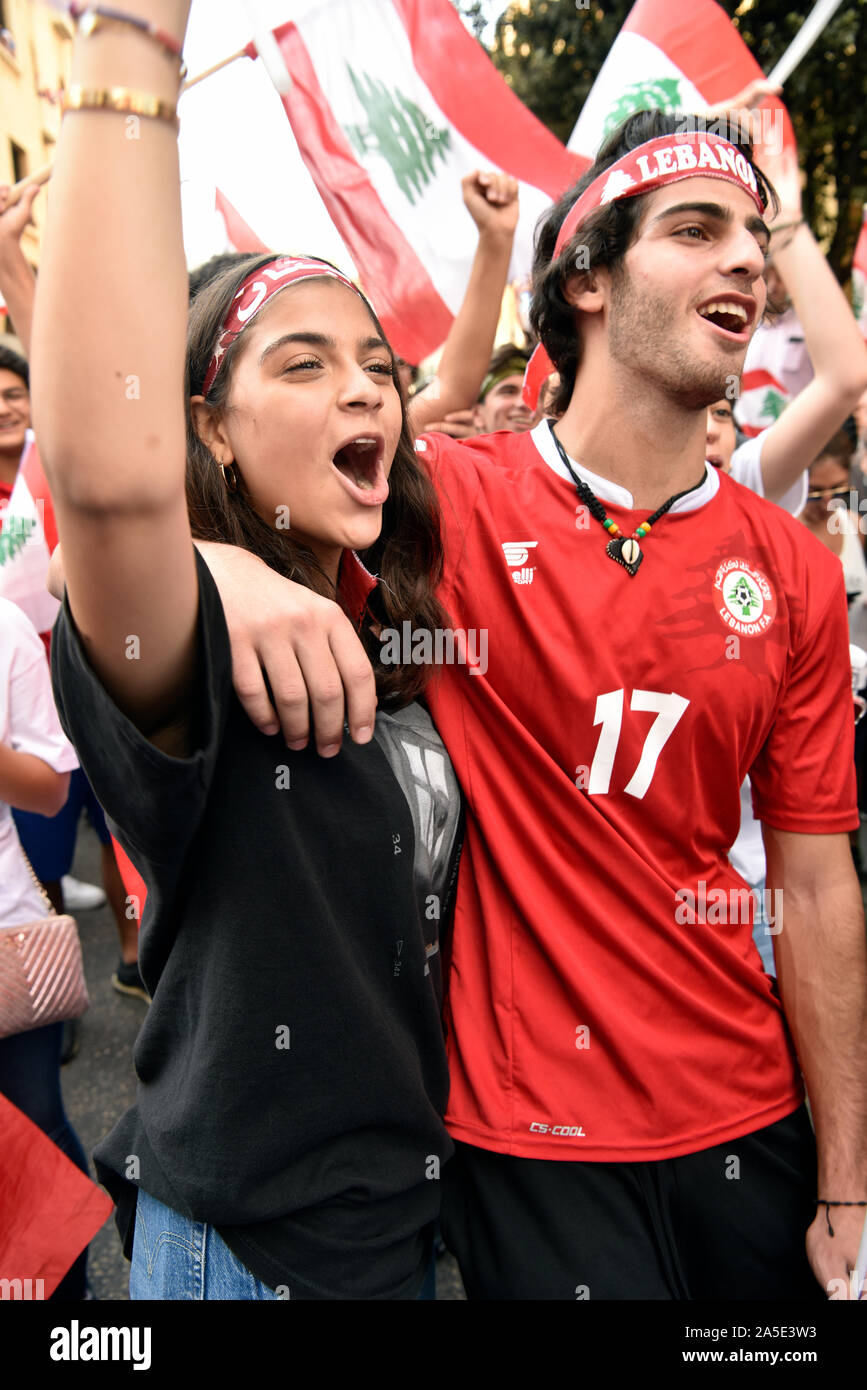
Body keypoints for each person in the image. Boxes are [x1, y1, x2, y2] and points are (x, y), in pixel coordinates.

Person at [203, 109, 867, 1300]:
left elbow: (815, 884)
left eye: (755, 236)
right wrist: (229, 569)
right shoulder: (447, 502)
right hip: (530, 1141)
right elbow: (180, 492)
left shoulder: (793, 571)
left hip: (753, 1116)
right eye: (698, 228)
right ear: (591, 279)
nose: (747, 261)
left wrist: (850, 1181)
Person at [29, 0, 499, 1302]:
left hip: (407, 1229)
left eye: (373, 365)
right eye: (303, 364)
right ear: (213, 432)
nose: (364, 388)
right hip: (249, 1256)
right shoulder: (197, 662)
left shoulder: (387, 621)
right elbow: (111, 495)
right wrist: (135, 37)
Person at [0, 595, 91, 1299]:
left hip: (6, 931)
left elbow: (52, 790)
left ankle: (68, 1311)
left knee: (34, 1136)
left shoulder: (4, 628)